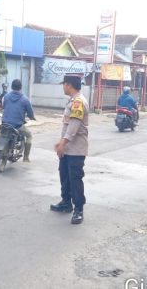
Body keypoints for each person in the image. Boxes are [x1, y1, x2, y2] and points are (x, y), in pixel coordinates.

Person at [51, 75, 89, 225]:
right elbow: (67, 126)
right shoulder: (73, 101)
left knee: (75, 179)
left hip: (76, 149)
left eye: (64, 84)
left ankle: (78, 209)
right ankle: (66, 202)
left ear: (69, 85)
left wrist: (62, 143)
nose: (63, 87)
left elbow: (73, 126)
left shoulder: (78, 102)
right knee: (65, 176)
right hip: (68, 148)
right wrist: (62, 143)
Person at [0, 79, 36, 162]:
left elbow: (3, 107)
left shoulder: (6, 97)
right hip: (17, 126)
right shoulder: (25, 99)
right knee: (29, 135)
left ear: (11, 87)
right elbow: (30, 113)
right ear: (21, 87)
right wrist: (32, 117)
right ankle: (26, 157)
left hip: (5, 124)